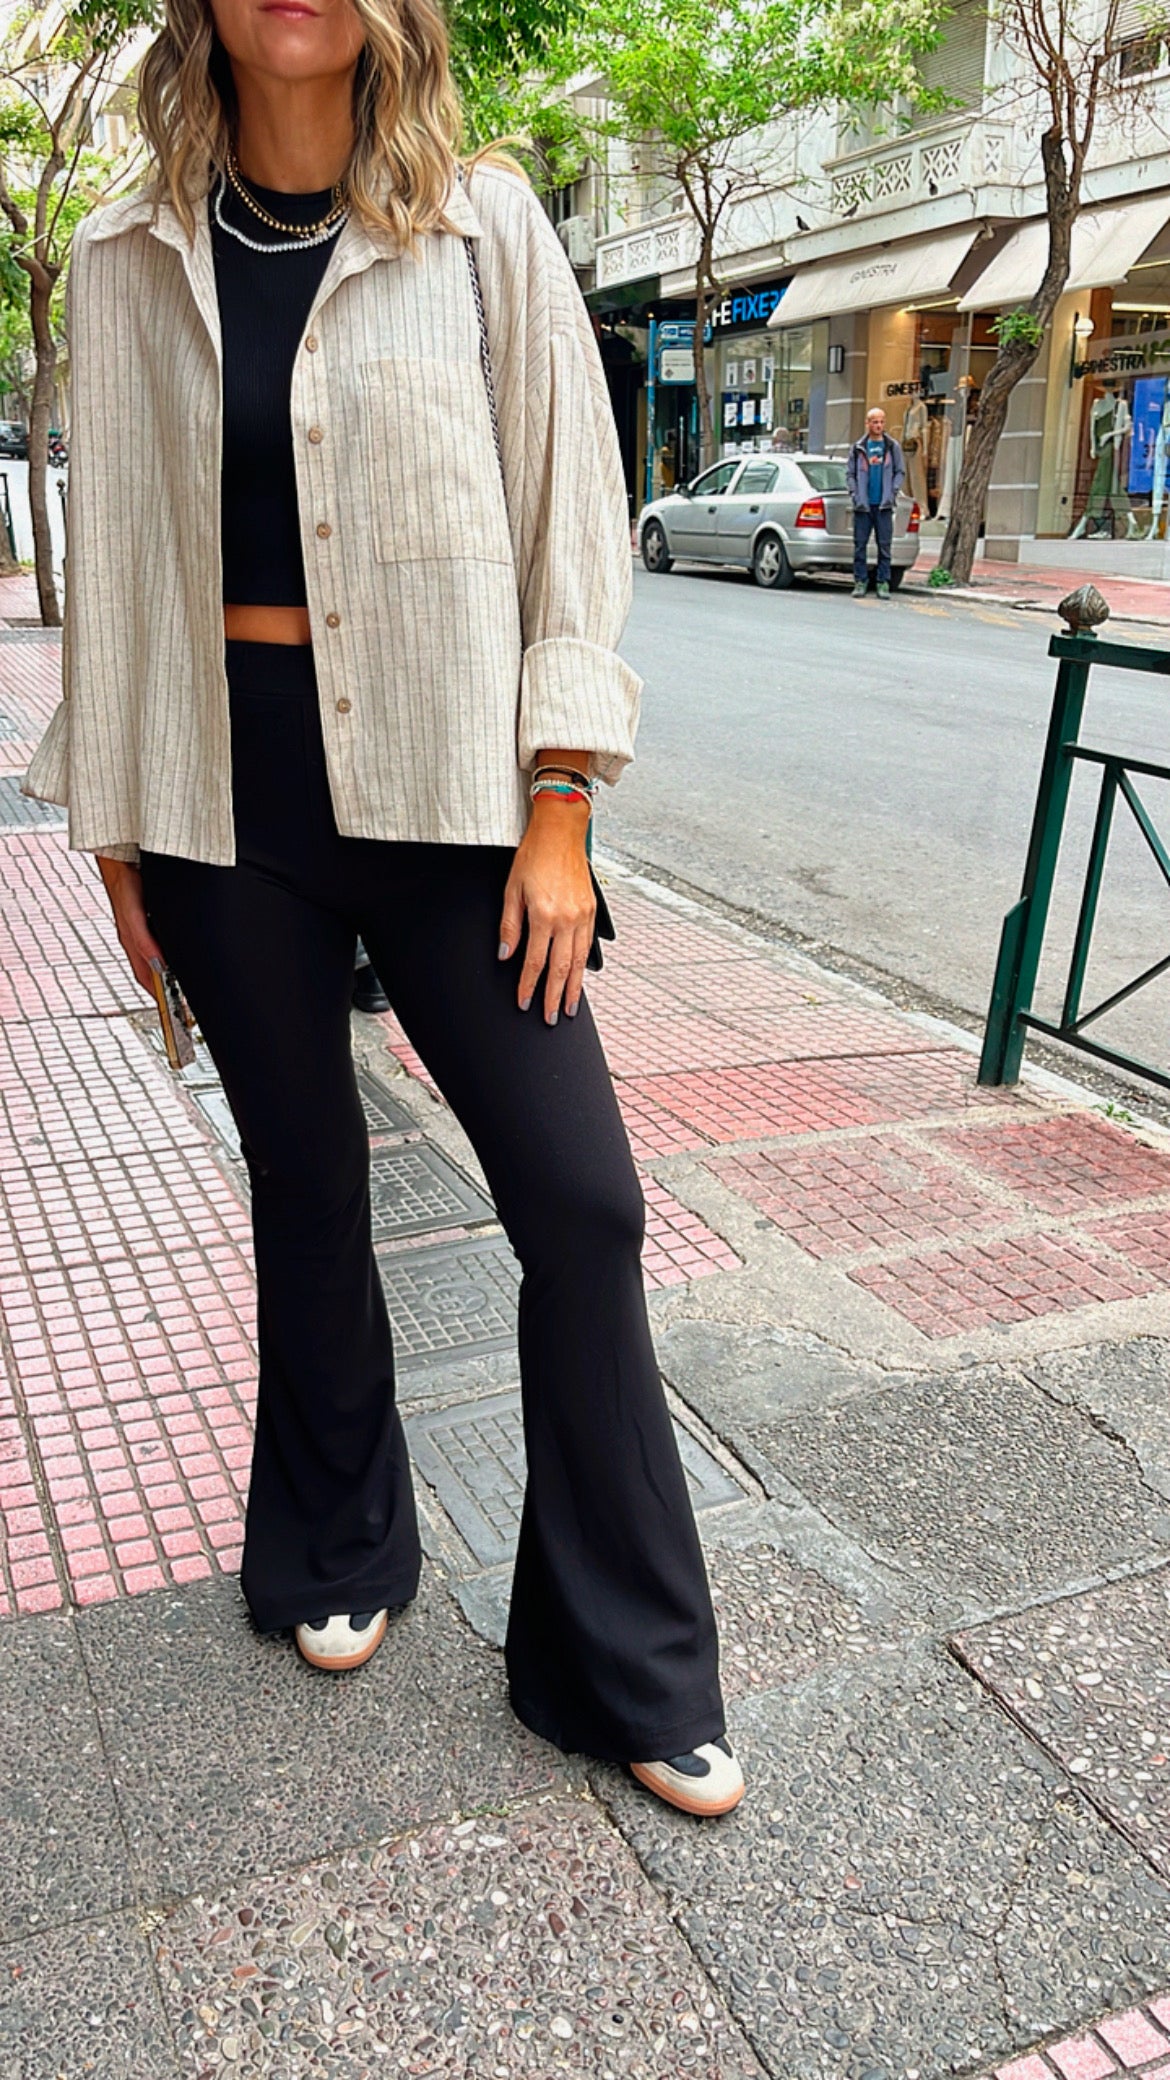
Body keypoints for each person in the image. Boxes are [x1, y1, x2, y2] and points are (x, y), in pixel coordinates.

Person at [20, 0, 743, 1818]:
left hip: (456, 797)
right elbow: (116, 549)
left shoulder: (484, 222)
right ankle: (338, 1539)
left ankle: (624, 1661)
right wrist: (118, 829)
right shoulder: (122, 252)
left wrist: (562, 796)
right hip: (221, 793)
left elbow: (575, 517)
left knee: (583, 1202)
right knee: (306, 1171)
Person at [847, 405, 905, 599]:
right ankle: (860, 581)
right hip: (863, 506)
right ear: (868, 423)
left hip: (883, 505)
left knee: (885, 546)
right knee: (860, 545)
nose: (879, 425)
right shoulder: (858, 448)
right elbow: (850, 474)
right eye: (875, 422)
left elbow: (899, 471)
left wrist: (893, 491)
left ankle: (883, 582)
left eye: (881, 422)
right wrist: (855, 494)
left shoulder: (892, 446)